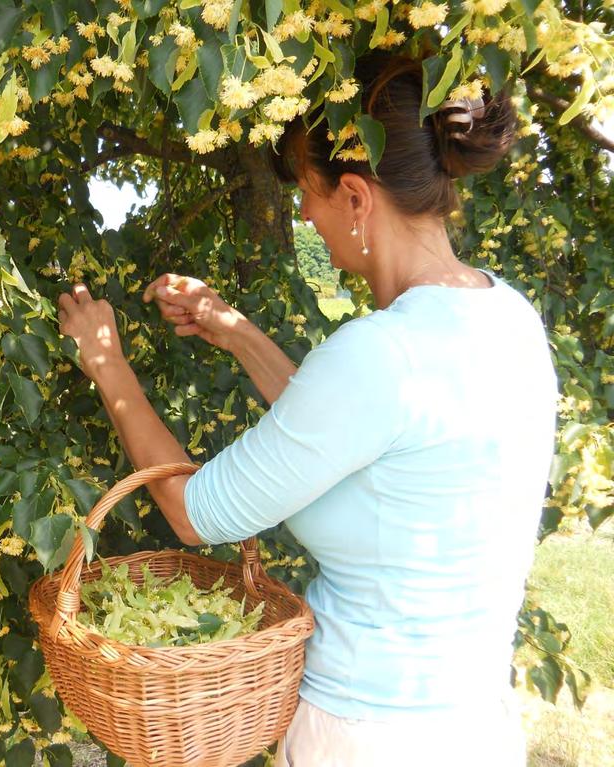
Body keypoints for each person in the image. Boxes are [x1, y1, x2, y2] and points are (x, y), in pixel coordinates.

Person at [56, 52, 558, 767]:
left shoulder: (380, 354)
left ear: (356, 196)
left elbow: (193, 510)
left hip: (367, 735)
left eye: (308, 192)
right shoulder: (508, 317)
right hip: (474, 726)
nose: (302, 212)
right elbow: (355, 435)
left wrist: (107, 362)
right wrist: (231, 329)